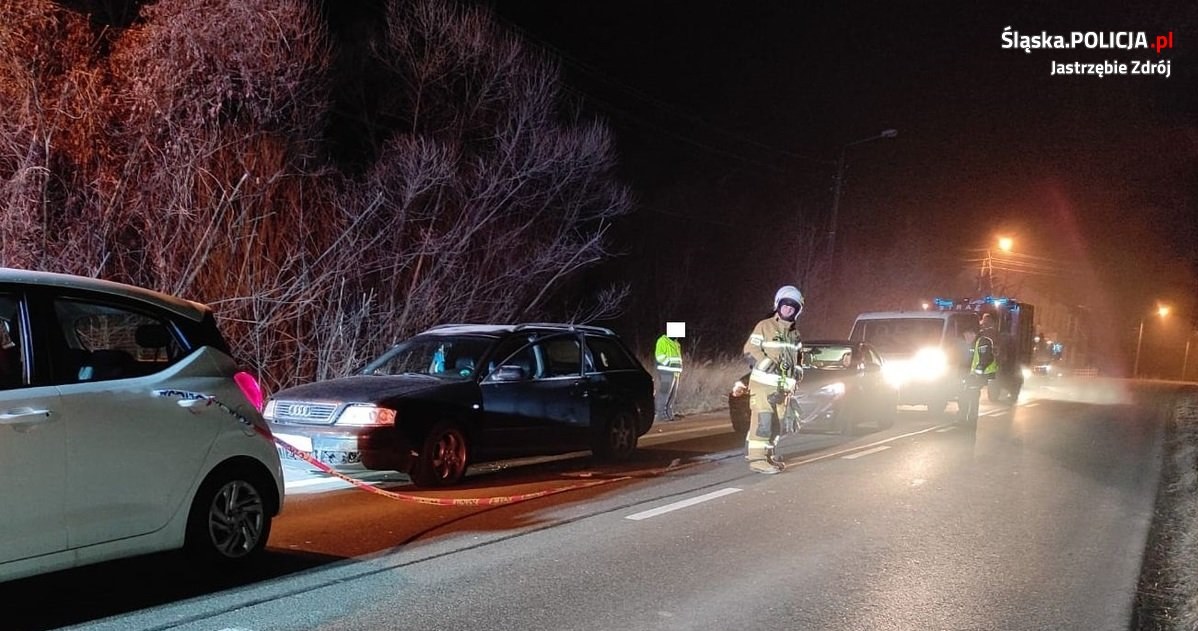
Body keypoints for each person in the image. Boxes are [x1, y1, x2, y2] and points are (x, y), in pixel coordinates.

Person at [741, 285, 804, 474]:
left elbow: (798, 357)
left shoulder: (795, 334)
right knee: (763, 422)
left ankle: (768, 456)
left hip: (782, 389)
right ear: (778, 305)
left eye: (793, 307)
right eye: (786, 305)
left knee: (777, 425)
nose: (789, 309)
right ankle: (757, 460)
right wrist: (766, 362)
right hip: (763, 386)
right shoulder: (764, 326)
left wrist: (798, 371)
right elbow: (749, 350)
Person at [958, 319, 997, 426]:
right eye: (964, 336)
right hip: (970, 376)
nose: (966, 338)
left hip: (978, 377)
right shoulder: (970, 344)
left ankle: (971, 418)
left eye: (967, 336)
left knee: (973, 396)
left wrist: (977, 372)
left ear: (972, 334)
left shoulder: (983, 342)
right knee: (963, 395)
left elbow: (985, 359)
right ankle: (963, 417)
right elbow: (966, 361)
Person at [654, 327, 683, 422]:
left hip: (675, 373)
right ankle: (660, 415)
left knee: (672, 395)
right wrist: (670, 364)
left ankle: (669, 414)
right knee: (664, 394)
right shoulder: (662, 341)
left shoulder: (676, 343)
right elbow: (659, 356)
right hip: (666, 372)